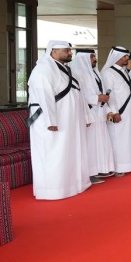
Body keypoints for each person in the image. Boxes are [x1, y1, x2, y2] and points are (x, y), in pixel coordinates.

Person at [26, 40, 90, 200]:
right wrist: (51, 121)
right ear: (53, 51)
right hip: (51, 121)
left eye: (69, 50)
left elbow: (79, 94)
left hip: (69, 120)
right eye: (66, 50)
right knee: (53, 154)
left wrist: (86, 116)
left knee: (68, 153)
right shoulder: (42, 70)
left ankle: (72, 185)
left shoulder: (67, 70)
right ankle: (52, 190)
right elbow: (43, 96)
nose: (70, 53)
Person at [71, 49, 114, 184]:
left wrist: (108, 110)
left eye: (95, 56)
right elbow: (78, 96)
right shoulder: (77, 74)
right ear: (83, 58)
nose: (95, 59)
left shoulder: (95, 73)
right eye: (92, 57)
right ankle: (88, 174)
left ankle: (100, 169)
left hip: (99, 112)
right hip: (87, 113)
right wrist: (96, 98)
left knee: (99, 143)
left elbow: (101, 92)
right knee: (89, 145)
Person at [101, 46, 131, 175]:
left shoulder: (124, 71)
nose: (127, 59)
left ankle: (130, 164)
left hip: (128, 110)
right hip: (118, 111)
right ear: (117, 57)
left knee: (129, 138)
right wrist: (113, 112)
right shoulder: (107, 73)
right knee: (118, 139)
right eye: (125, 56)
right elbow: (108, 94)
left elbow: (128, 91)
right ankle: (118, 167)